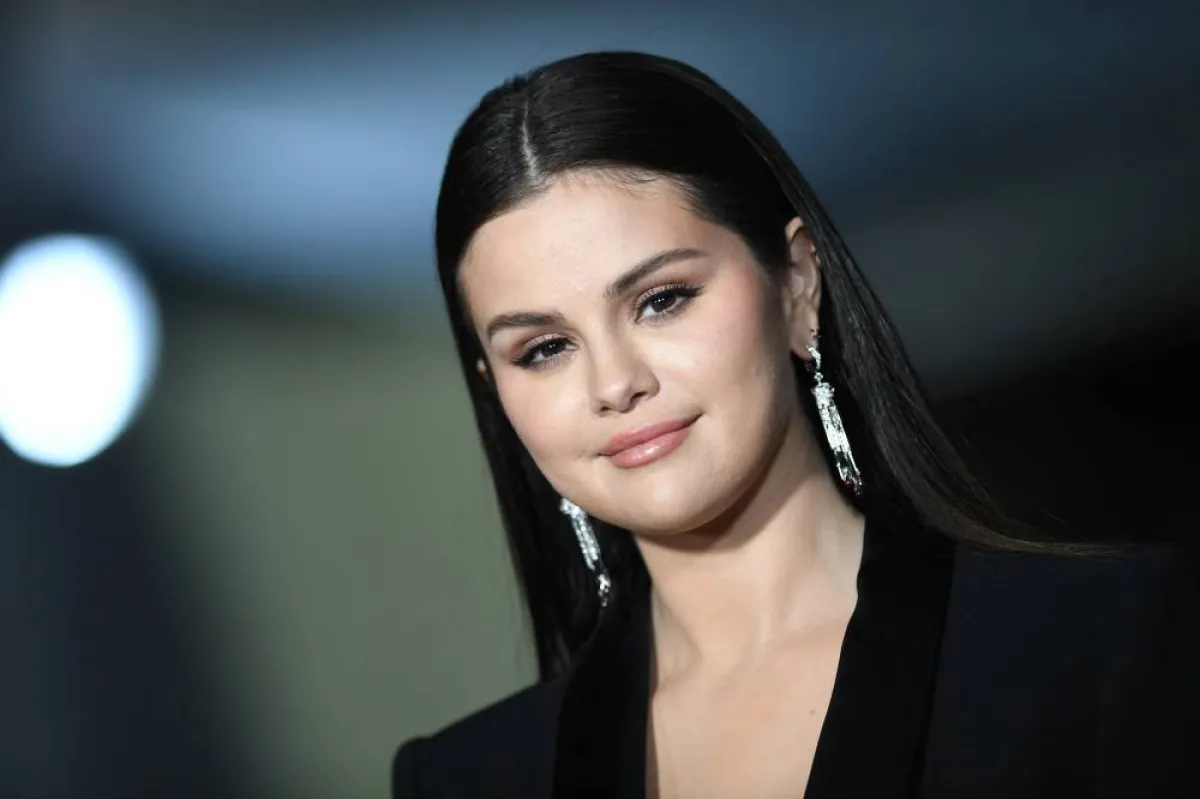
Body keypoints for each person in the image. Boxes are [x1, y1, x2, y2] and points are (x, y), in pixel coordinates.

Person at [391, 51, 1199, 798]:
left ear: (798, 284)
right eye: (543, 349)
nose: (614, 383)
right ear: (494, 389)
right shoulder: (471, 779)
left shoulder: (1105, 646)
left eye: (661, 299)